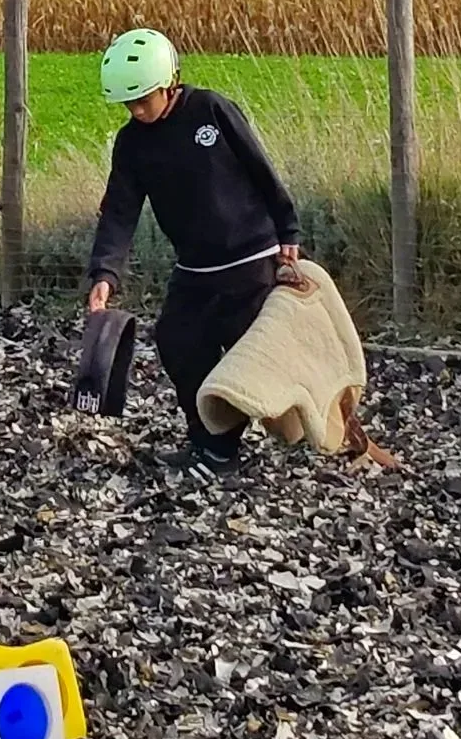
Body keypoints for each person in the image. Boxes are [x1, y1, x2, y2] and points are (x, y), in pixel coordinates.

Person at [84, 29, 301, 479]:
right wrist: (105, 273)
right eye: (129, 104)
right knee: (177, 345)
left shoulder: (211, 111)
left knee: (253, 358)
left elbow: (262, 170)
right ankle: (213, 446)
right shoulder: (132, 145)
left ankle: (304, 427)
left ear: (169, 83)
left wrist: (288, 229)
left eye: (144, 99)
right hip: (194, 269)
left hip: (250, 260)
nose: (137, 111)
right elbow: (120, 212)